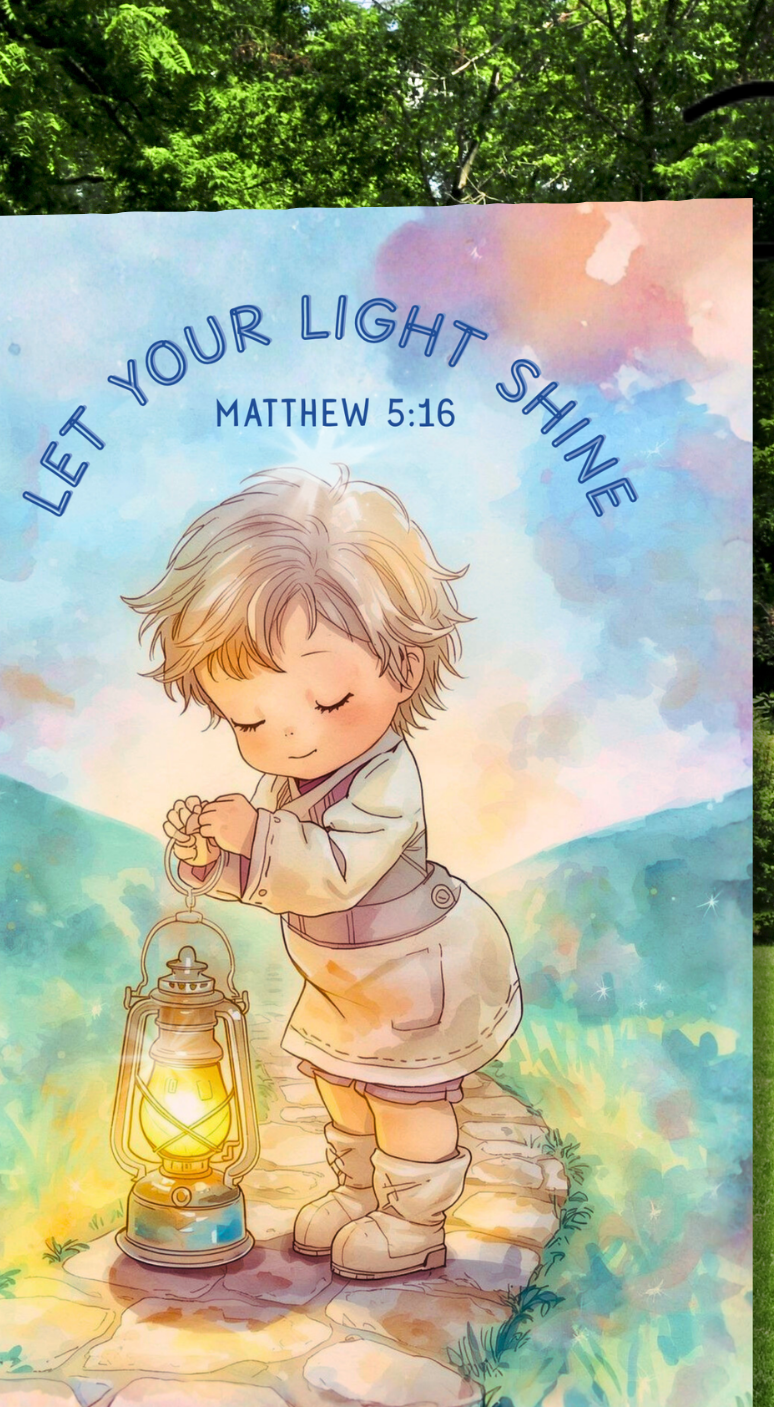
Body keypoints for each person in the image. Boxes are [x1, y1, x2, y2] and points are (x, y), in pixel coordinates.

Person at [125, 465, 522, 1280]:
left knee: (406, 1100)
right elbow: (277, 878)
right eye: (250, 720)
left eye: (330, 701)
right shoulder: (295, 779)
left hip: (417, 966)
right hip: (345, 972)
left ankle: (413, 1220)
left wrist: (260, 833)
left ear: (402, 670)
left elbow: (335, 872)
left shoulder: (384, 779)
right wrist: (217, 857)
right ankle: (354, 1190)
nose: (294, 737)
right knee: (341, 1085)